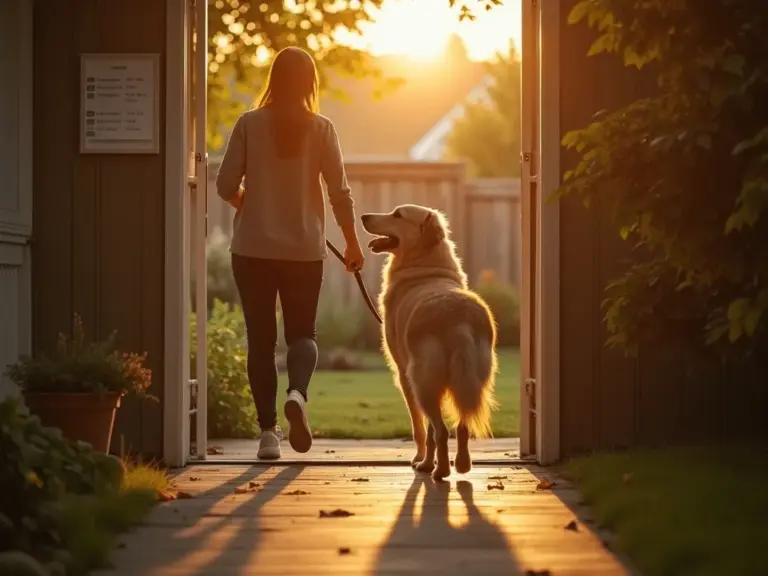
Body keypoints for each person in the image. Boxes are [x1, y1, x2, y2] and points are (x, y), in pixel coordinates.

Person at [215, 46, 365, 460]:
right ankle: (297, 393)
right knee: (303, 334)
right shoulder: (322, 129)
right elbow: (340, 193)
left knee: (261, 341)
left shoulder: (248, 124)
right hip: (303, 251)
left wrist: (246, 201)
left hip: (253, 250)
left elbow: (224, 185)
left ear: (274, 79)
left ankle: (268, 435)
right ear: (310, 83)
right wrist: (352, 243)